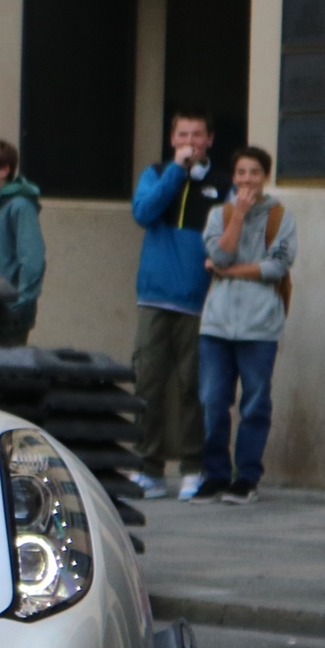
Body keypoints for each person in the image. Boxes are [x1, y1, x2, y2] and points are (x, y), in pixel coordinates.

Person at [130, 110, 225, 499]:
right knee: (147, 383)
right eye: (183, 134)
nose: (190, 141)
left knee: (193, 389)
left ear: (209, 140)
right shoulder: (156, 173)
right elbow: (143, 212)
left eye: (198, 135)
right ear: (173, 140)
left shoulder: (222, 184)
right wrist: (176, 172)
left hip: (198, 301)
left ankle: (192, 466)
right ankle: (148, 467)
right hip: (154, 297)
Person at [194, 146, 295, 506]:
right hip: (217, 324)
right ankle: (215, 475)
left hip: (259, 326)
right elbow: (217, 254)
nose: (246, 179)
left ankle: (247, 477)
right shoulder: (219, 215)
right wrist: (238, 215)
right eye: (240, 172)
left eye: (253, 172)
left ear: (264, 176)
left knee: (254, 404)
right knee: (213, 401)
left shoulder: (280, 216)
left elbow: (278, 266)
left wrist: (232, 271)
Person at [0, 138, 45, 340]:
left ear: (4, 170)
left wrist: (18, 304)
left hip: (9, 316)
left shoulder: (20, 207)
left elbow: (32, 262)